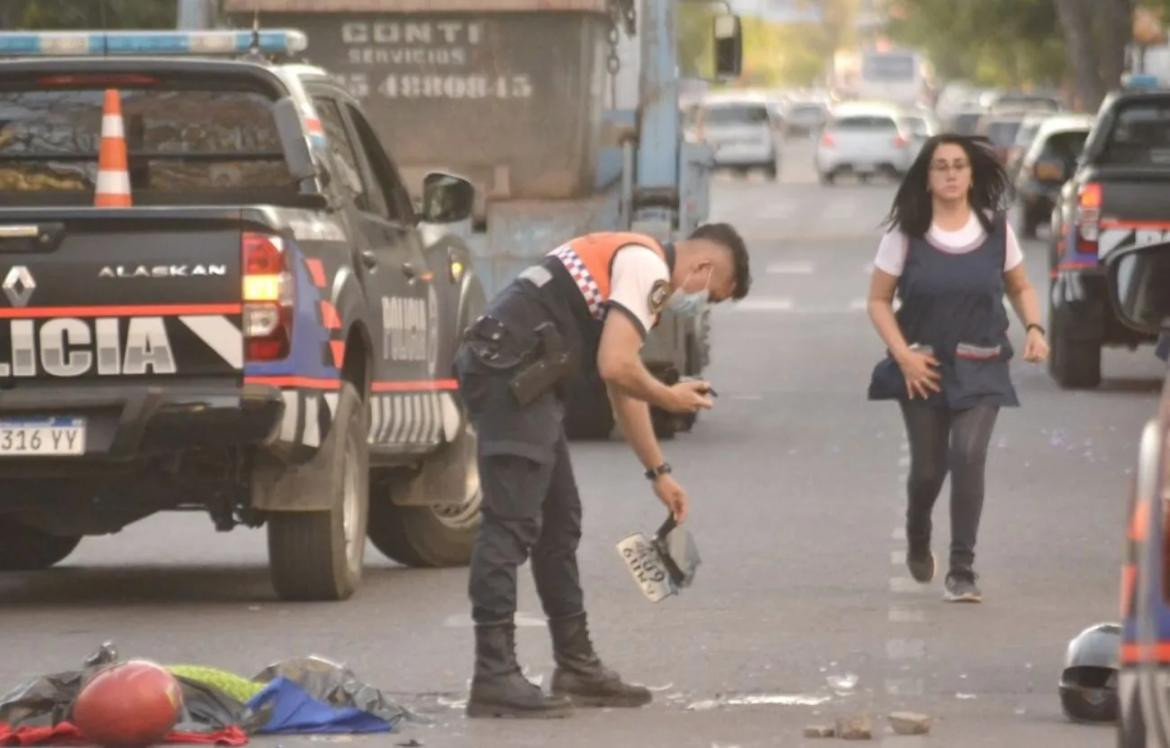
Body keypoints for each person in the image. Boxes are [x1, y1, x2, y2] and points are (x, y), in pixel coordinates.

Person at [453, 225, 751, 718]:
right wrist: (671, 396)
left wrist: (659, 471)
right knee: (509, 527)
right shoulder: (647, 267)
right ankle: (494, 675)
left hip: (524, 378)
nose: (701, 306)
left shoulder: (635, 265)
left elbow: (622, 386)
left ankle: (576, 665)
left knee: (560, 521)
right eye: (711, 297)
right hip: (511, 377)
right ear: (702, 268)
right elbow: (616, 366)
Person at [866, 134, 1049, 604]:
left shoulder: (995, 229)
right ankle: (917, 527)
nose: (950, 173)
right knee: (929, 470)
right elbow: (879, 300)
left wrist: (1034, 327)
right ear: (927, 178)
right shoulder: (906, 231)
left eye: (959, 165)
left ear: (971, 175)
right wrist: (903, 354)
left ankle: (962, 569)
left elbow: (1021, 285)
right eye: (940, 166)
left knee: (968, 454)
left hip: (982, 363)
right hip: (923, 366)